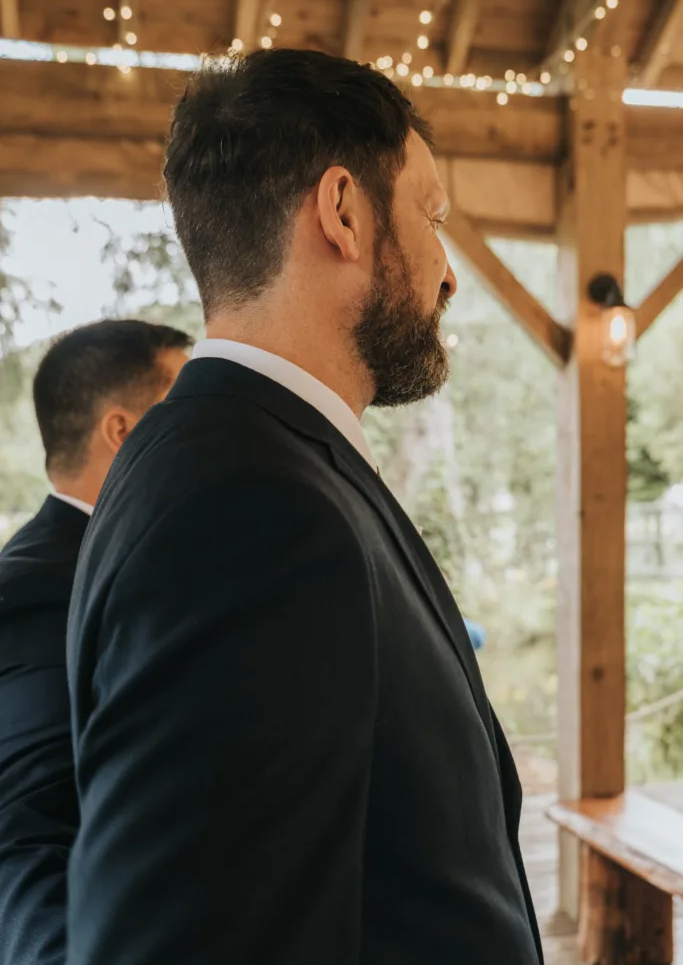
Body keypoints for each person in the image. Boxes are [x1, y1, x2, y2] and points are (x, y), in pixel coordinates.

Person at [66, 50, 543, 965]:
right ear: (342, 212)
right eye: (432, 216)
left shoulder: (241, 455)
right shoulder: (245, 509)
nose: (447, 275)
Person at [0, 319, 191, 965]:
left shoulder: (148, 557)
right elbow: (30, 840)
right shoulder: (32, 591)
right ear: (122, 431)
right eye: (184, 408)